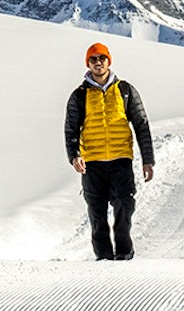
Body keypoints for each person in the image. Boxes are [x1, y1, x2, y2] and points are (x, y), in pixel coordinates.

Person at [63, 42, 155, 260]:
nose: (98, 63)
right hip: (92, 163)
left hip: (120, 159)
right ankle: (103, 257)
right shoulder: (79, 95)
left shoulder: (125, 90)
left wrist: (147, 159)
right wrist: (74, 155)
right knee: (97, 213)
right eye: (93, 59)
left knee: (125, 206)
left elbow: (141, 124)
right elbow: (71, 128)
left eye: (102, 58)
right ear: (88, 63)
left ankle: (124, 252)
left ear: (108, 61)